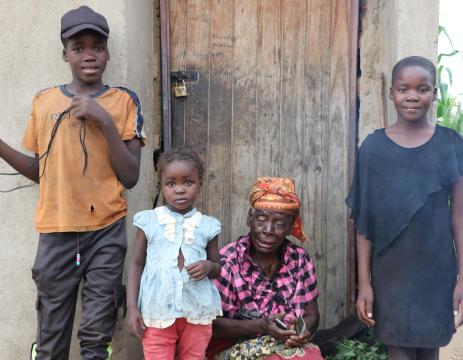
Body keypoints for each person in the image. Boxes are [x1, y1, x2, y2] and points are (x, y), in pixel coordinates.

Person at [0, 5, 145, 359]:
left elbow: (131, 175)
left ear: (108, 53)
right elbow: (39, 171)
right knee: (50, 341)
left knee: (96, 336)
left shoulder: (123, 101)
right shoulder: (45, 101)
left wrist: (105, 122)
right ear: (65, 53)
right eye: (78, 47)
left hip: (105, 232)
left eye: (97, 46)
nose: (89, 55)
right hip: (56, 231)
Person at [346, 56, 463, 360]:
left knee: (430, 349)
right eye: (404, 89)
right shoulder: (374, 148)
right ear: (392, 93)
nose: (413, 96)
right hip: (391, 273)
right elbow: (364, 222)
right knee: (399, 350)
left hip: (436, 270)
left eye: (423, 88)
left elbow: (461, 216)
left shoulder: (450, 144)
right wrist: (365, 284)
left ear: (435, 94)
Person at [208, 177, 324, 360]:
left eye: (279, 223)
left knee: (310, 355)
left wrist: (301, 332)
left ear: (290, 226)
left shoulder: (300, 259)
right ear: (249, 218)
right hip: (234, 345)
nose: (268, 230)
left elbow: (312, 315)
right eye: (261, 220)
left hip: (284, 345)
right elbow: (210, 325)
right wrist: (261, 326)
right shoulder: (227, 261)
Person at [127, 147, 223, 360]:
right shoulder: (149, 222)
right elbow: (136, 264)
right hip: (157, 311)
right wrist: (132, 307)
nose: (179, 189)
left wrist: (208, 267)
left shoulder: (207, 226)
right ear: (161, 186)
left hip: (196, 312)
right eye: (171, 183)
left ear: (200, 185)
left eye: (187, 182)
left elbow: (218, 268)